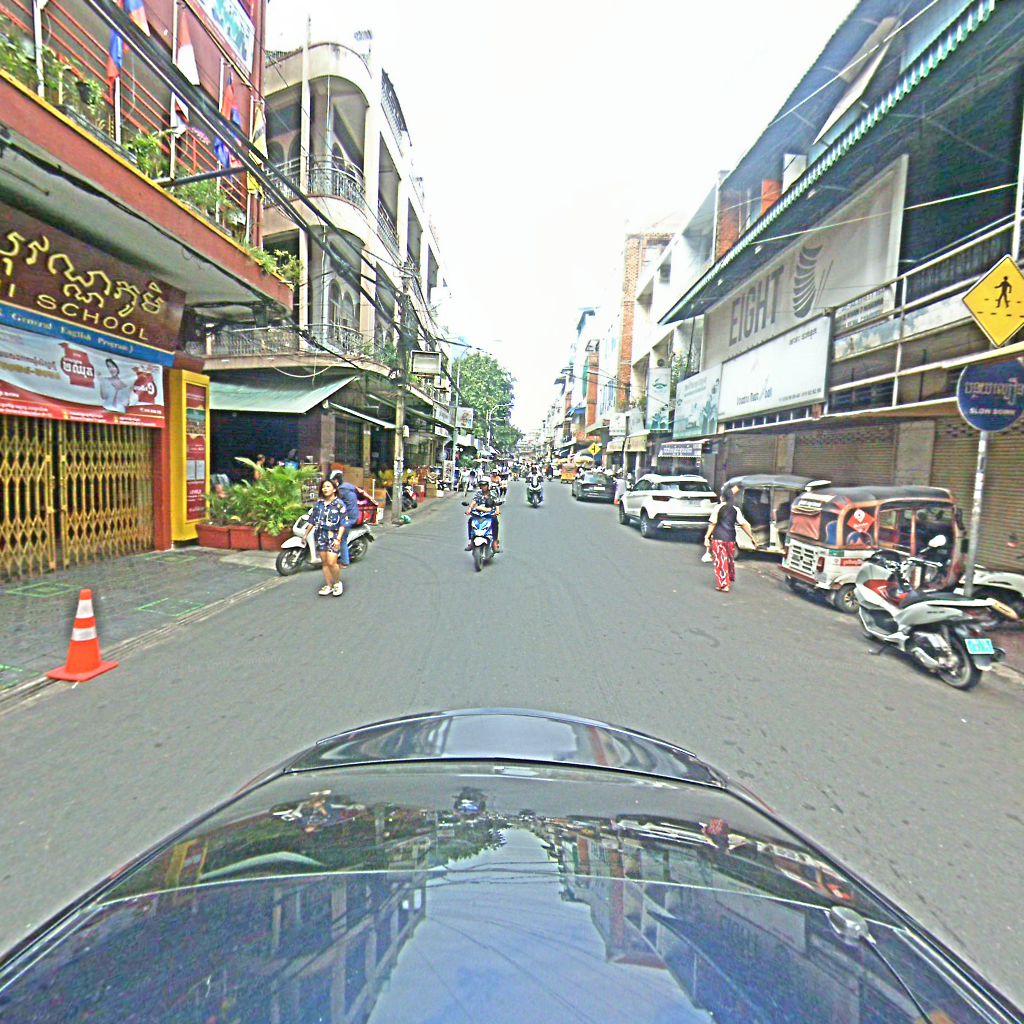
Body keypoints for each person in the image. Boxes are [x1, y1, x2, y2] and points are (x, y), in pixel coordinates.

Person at [303, 477, 356, 597]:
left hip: (334, 536)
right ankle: (329, 585)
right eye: (323, 487)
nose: (325, 489)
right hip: (321, 536)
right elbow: (312, 520)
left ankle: (337, 583)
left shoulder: (339, 504)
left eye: (328, 486)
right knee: (325, 562)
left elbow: (343, 523)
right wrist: (305, 535)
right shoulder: (319, 504)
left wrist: (338, 539)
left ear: (334, 489)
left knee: (332, 562)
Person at [704, 484, 755, 593]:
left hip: (718, 538)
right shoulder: (736, 509)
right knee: (728, 560)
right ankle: (728, 580)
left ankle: (724, 584)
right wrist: (752, 537)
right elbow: (744, 524)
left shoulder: (718, 508)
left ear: (723, 497)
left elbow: (712, 524)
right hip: (731, 539)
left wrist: (706, 537)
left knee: (720, 561)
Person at [466, 477, 501, 552]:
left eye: (484, 485)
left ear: (488, 485)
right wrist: (469, 509)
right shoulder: (478, 493)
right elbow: (474, 502)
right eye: (481, 485)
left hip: (490, 513)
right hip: (479, 512)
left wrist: (497, 510)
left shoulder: (493, 493)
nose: (482, 487)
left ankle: (495, 542)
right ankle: (471, 541)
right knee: (470, 521)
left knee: (495, 522)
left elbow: (496, 503)